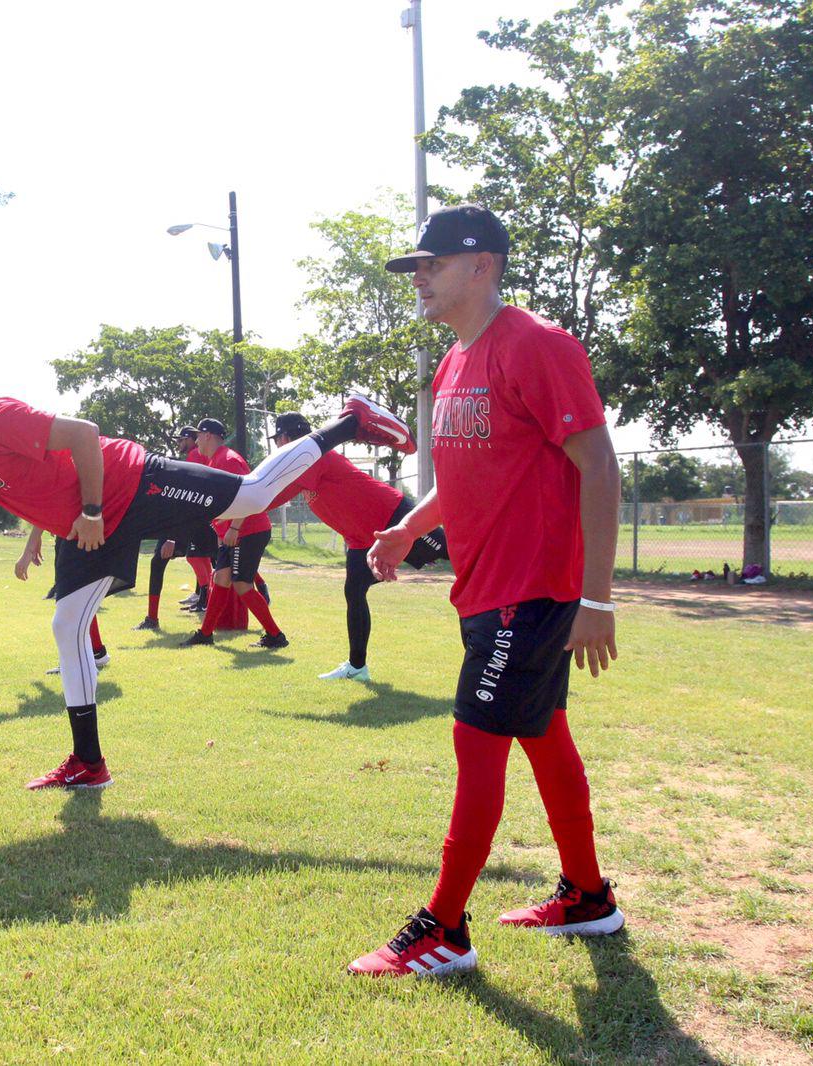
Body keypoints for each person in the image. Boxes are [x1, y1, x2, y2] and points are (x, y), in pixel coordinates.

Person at [0, 361, 413, 791]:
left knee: (252, 496)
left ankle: (348, 423)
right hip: (87, 525)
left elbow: (84, 435)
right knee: (67, 623)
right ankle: (88, 763)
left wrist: (93, 509)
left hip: (129, 484)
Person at [346, 204, 624, 978]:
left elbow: (600, 466)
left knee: (477, 742)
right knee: (545, 735)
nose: (420, 279)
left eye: (432, 264)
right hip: (485, 590)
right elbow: (467, 474)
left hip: (529, 593)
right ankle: (587, 897)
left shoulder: (538, 345)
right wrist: (409, 527)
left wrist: (597, 599)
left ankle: (444, 928)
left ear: (483, 266)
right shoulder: (453, 363)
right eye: (417, 267)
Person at [265, 412, 449, 680]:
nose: (277, 445)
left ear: (285, 437)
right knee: (354, 592)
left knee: (460, 556)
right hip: (361, 539)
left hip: (395, 516)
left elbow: (276, 492)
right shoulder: (304, 458)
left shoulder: (310, 455)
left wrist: (241, 507)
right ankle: (357, 667)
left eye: (277, 439)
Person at [179, 418, 286, 650]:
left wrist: (234, 528)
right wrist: (223, 532)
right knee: (220, 579)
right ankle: (205, 633)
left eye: (198, 436)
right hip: (234, 533)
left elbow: (248, 497)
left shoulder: (228, 460)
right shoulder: (216, 460)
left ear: (208, 435)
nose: (196, 441)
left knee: (242, 585)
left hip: (248, 531)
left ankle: (276, 635)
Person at [135, 426, 217, 631]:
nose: (179, 443)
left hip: (191, 521)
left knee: (210, 561)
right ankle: (205, 599)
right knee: (209, 560)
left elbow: (185, 499)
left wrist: (171, 537)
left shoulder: (194, 457)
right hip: (198, 519)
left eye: (182, 439)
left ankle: (154, 618)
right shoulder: (189, 459)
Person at [17, 526, 110, 674]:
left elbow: (48, 509)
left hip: (75, 532)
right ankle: (95, 651)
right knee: (79, 597)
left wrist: (30, 547)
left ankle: (79, 662)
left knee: (68, 606)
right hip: (75, 531)